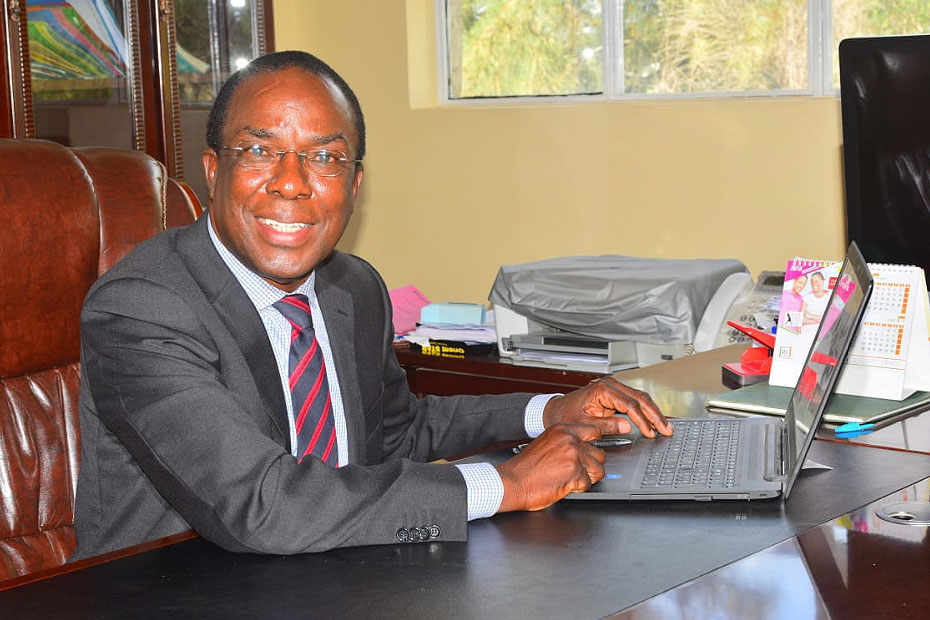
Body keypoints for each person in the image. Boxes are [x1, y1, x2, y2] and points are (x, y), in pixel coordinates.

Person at [71, 51, 671, 560]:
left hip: (334, 576)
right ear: (213, 171)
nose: (291, 182)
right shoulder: (141, 309)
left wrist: (548, 411)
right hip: (177, 592)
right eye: (258, 150)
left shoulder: (351, 287)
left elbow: (397, 435)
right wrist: (504, 482)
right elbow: (259, 504)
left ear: (354, 186)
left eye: (324, 157)